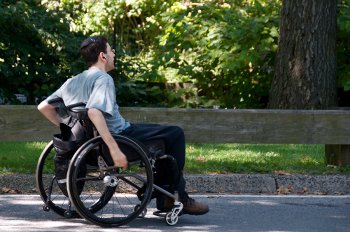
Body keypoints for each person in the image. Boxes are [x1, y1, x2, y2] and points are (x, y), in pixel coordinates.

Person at [38, 36, 209, 215]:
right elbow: (94, 112)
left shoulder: (72, 81)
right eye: (112, 51)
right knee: (175, 134)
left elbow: (44, 107)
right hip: (119, 138)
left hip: (89, 147)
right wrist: (114, 149)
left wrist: (70, 129)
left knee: (163, 134)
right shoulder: (103, 79)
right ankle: (176, 196)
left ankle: (164, 193)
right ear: (103, 56)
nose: (114, 54)